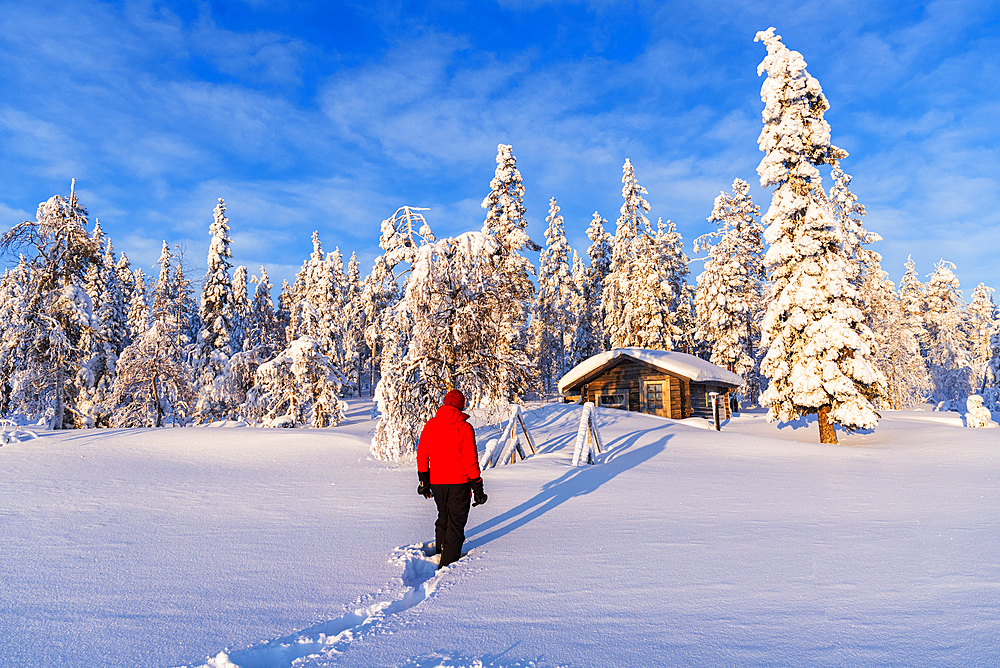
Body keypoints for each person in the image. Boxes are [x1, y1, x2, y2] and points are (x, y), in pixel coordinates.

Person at [416, 389, 488, 568]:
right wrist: (478, 487)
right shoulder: (464, 427)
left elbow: (422, 455)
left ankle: (441, 552)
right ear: (461, 405)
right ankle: (447, 566)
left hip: (437, 483)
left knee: (444, 518)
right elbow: (470, 460)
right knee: (455, 525)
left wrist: (424, 482)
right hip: (459, 484)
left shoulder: (431, 425)